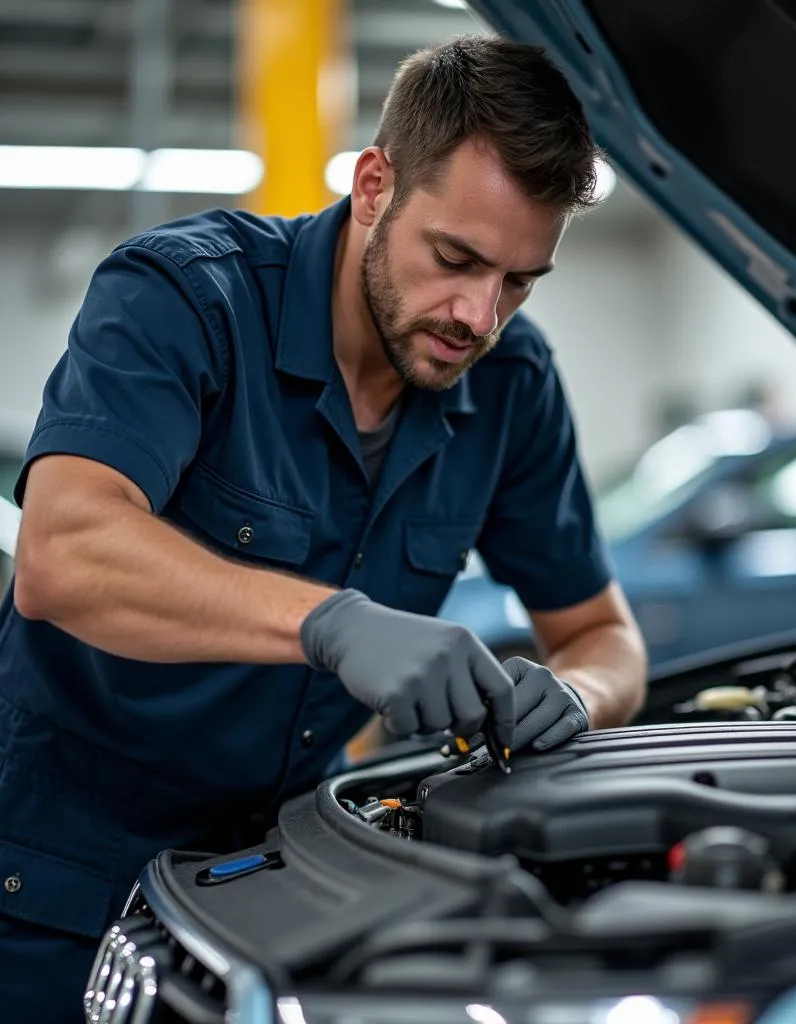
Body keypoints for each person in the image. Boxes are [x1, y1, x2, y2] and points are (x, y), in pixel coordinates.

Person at [0, 35, 647, 1021]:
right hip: (54, 883)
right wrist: (334, 624)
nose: (478, 314)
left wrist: (575, 693)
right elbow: (65, 552)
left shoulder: (512, 386)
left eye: (519, 281)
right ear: (376, 184)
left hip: (287, 883)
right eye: (457, 258)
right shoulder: (183, 299)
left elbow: (605, 637)